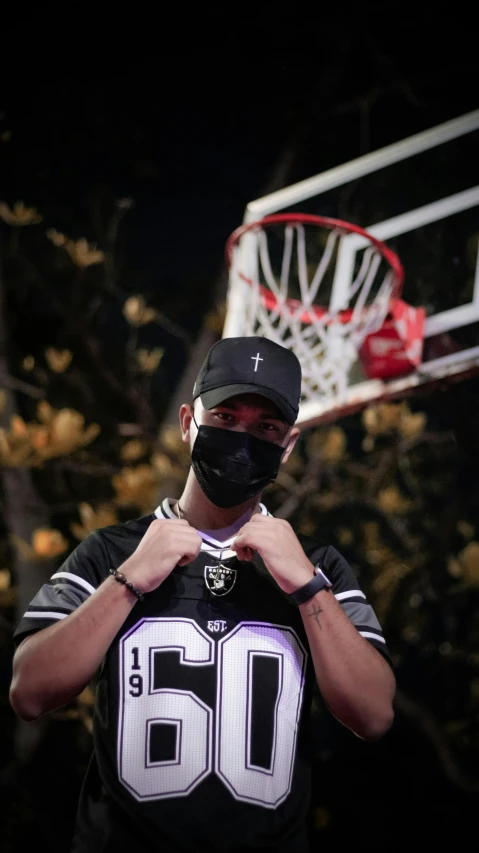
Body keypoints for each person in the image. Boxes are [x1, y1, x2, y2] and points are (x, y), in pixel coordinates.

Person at [10, 336, 395, 853]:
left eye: (265, 428)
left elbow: (373, 715)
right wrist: (127, 582)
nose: (242, 438)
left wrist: (307, 589)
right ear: (189, 420)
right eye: (226, 418)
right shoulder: (112, 551)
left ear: (289, 444)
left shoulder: (317, 567)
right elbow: (29, 691)